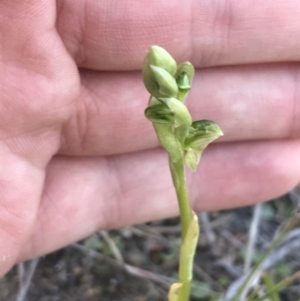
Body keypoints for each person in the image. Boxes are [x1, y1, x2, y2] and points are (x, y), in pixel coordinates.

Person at [1, 0, 300, 277]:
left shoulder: (179, 114)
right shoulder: (164, 108)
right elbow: (173, 125)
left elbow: (192, 131)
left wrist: (185, 130)